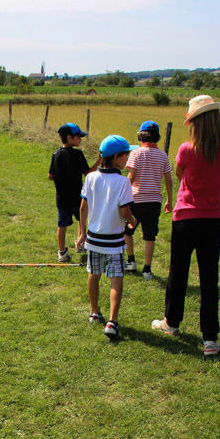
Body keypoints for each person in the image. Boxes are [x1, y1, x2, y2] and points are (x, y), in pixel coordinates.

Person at [151, 95, 220, 356]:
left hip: (185, 219)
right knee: (209, 279)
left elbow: (180, 176)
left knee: (178, 273)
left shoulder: (186, 150)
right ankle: (210, 339)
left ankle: (172, 322)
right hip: (213, 220)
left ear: (194, 124)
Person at [78, 134, 138, 339]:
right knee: (116, 279)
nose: (128, 159)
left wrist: (81, 232)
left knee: (93, 275)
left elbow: (83, 207)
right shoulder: (123, 182)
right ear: (116, 157)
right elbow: (124, 212)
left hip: (94, 239)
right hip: (114, 242)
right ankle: (112, 321)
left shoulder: (91, 177)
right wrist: (132, 220)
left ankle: (94, 312)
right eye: (126, 155)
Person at [124, 120, 173, 279]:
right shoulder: (163, 155)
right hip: (154, 202)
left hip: (136, 200)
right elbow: (168, 180)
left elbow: (131, 176)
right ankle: (147, 269)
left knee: (127, 231)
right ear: (157, 137)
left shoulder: (136, 153)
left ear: (140, 136)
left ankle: (131, 261)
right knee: (150, 236)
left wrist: (122, 194)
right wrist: (169, 200)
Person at [48, 123, 101, 262]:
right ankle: (81, 244)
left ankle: (61, 253)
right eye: (79, 137)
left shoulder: (56, 154)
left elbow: (50, 176)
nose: (81, 140)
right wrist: (100, 160)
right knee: (82, 220)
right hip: (78, 197)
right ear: (70, 138)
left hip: (62, 198)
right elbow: (88, 173)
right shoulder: (78, 154)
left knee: (62, 225)